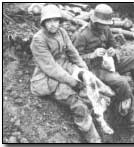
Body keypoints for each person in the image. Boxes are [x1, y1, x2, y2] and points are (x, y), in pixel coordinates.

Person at [73, 4, 134, 141]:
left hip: (110, 63)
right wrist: (92, 54)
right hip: (96, 69)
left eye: (105, 24)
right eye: (101, 24)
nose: (103, 26)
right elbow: (75, 59)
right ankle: (132, 125)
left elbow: (113, 44)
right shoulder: (82, 35)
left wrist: (113, 50)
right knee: (123, 83)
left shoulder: (106, 29)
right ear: (94, 21)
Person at [30, 4, 102, 143]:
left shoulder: (62, 32)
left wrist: (84, 70)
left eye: (55, 20)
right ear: (43, 22)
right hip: (47, 78)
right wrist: (73, 82)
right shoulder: (38, 40)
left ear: (59, 21)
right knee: (76, 102)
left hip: (64, 67)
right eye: (49, 21)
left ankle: (97, 118)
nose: (52, 24)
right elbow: (51, 68)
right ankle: (93, 138)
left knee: (89, 87)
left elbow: (73, 53)